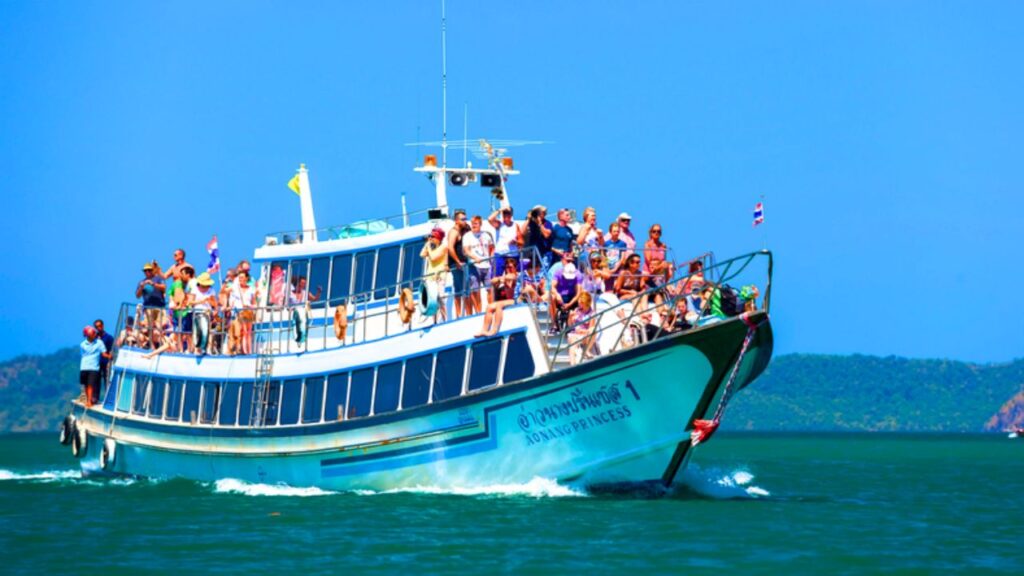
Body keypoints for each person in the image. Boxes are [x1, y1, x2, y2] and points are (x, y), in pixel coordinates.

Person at [476, 258, 519, 338]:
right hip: (506, 301)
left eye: (510, 267)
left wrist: (500, 279)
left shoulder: (517, 275)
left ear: (514, 267)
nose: (508, 269)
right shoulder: (504, 277)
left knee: (499, 306)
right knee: (489, 306)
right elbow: (493, 281)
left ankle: (494, 330)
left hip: (516, 299)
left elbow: (510, 278)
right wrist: (497, 282)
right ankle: (484, 329)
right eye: (506, 267)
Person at [462, 215, 494, 315]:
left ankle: (491, 309)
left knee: (490, 289)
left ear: (480, 224)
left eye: (475, 223)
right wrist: (475, 258)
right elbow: (466, 250)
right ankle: (478, 312)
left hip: (487, 266)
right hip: (474, 266)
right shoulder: (467, 236)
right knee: (475, 290)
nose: (473, 225)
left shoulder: (486, 235)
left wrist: (491, 258)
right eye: (472, 223)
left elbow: (492, 247)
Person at [135, 261, 167, 348]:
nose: (147, 272)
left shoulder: (158, 279)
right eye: (145, 271)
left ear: (152, 270)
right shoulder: (141, 282)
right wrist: (141, 287)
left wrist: (153, 284)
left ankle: (161, 344)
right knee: (149, 326)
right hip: (148, 307)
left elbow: (164, 287)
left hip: (160, 307)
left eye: (149, 270)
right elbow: (137, 295)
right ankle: (152, 345)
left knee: (161, 325)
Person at [420, 227, 448, 322]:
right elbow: (422, 255)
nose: (431, 238)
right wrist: (427, 244)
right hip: (430, 277)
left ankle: (445, 319)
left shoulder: (443, 247)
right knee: (432, 300)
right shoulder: (431, 247)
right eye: (430, 236)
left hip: (439, 277)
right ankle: (435, 321)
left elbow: (433, 257)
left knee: (440, 298)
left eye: (433, 236)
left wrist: (428, 247)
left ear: (438, 238)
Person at [549, 260, 582, 334]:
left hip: (572, 297)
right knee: (552, 297)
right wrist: (557, 295)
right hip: (560, 296)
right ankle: (554, 324)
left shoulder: (578, 275)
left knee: (582, 296)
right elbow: (552, 287)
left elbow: (578, 293)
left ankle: (578, 323)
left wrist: (569, 304)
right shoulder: (558, 273)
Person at [168, 265, 195, 353]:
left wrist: (183, 305)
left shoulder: (192, 283)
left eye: (182, 274)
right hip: (178, 312)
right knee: (179, 332)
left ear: (188, 274)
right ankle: (181, 350)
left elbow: (191, 297)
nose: (181, 276)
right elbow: (171, 295)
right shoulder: (179, 284)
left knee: (187, 332)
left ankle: (190, 349)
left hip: (187, 312)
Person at [79, 326, 109, 407]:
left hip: (94, 367)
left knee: (90, 384)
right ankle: (88, 399)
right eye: (93, 333)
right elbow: (83, 355)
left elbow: (103, 353)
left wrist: (109, 356)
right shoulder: (82, 345)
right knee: (85, 384)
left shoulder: (99, 342)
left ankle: (89, 401)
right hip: (84, 366)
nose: (95, 334)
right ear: (88, 335)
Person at [289, 274, 323, 345]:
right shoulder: (290, 293)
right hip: (292, 315)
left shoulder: (305, 293)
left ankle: (300, 340)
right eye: (302, 283)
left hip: (301, 316)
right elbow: (285, 304)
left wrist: (319, 292)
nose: (303, 285)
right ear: (298, 283)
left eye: (304, 284)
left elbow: (314, 299)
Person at [447, 210, 469, 319]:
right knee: (459, 289)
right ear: (456, 221)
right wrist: (457, 261)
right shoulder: (454, 232)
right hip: (456, 265)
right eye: (463, 219)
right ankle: (459, 314)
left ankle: (467, 313)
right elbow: (450, 248)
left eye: (465, 219)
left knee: (465, 288)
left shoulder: (462, 230)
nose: (465, 221)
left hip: (463, 263)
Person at [567, 291, 598, 365]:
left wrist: (582, 331)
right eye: (579, 302)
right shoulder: (576, 310)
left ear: (586, 303)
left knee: (593, 330)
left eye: (581, 302)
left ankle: (587, 351)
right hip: (575, 334)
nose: (579, 304)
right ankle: (572, 366)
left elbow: (591, 328)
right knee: (572, 345)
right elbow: (570, 325)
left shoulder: (592, 313)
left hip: (585, 335)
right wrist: (570, 317)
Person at [191, 272, 218, 355]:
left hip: (207, 313)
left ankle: (207, 350)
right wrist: (201, 301)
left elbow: (215, 304)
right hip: (197, 313)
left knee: (207, 332)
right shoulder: (195, 289)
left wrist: (210, 301)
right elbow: (191, 302)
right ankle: (197, 350)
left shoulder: (211, 290)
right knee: (198, 331)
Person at [230, 270, 257, 355]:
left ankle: (248, 351)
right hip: (239, 313)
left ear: (246, 278)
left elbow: (254, 303)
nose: (240, 279)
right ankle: (242, 350)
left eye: (242, 277)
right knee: (242, 332)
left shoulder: (251, 289)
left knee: (248, 332)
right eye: (239, 277)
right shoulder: (235, 289)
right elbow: (232, 302)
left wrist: (249, 306)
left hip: (248, 312)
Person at [488, 205, 520, 273]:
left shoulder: (515, 225)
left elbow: (521, 240)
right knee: (497, 275)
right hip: (500, 254)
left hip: (513, 254)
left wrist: (515, 242)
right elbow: (490, 219)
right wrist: (501, 209)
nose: (506, 216)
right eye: (504, 214)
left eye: (508, 214)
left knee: (512, 276)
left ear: (511, 215)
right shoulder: (499, 224)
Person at [522, 205, 553, 269]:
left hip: (543, 253)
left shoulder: (547, 223)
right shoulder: (530, 223)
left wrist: (539, 223)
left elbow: (546, 235)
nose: (540, 214)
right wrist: (528, 219)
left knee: (542, 272)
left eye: (542, 213)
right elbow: (522, 232)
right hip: (532, 252)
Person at [93, 319, 115, 393]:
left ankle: (107, 396)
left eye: (100, 326)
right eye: (97, 327)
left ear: (103, 326)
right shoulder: (94, 338)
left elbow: (112, 349)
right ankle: (95, 397)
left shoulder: (109, 337)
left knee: (107, 380)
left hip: (106, 362)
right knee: (96, 380)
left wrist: (110, 358)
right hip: (96, 362)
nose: (99, 328)